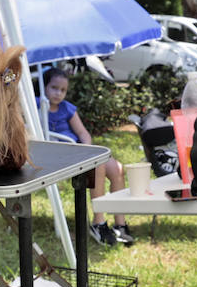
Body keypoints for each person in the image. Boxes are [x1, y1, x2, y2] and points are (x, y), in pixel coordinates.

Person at [41, 68, 134, 246]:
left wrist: (87, 150)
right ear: (44, 87)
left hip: (76, 152)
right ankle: (98, 222)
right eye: (54, 87)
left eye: (63, 90)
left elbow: (83, 134)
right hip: (56, 157)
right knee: (97, 165)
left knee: (116, 168)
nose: (58, 93)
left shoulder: (67, 108)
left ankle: (120, 223)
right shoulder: (36, 106)